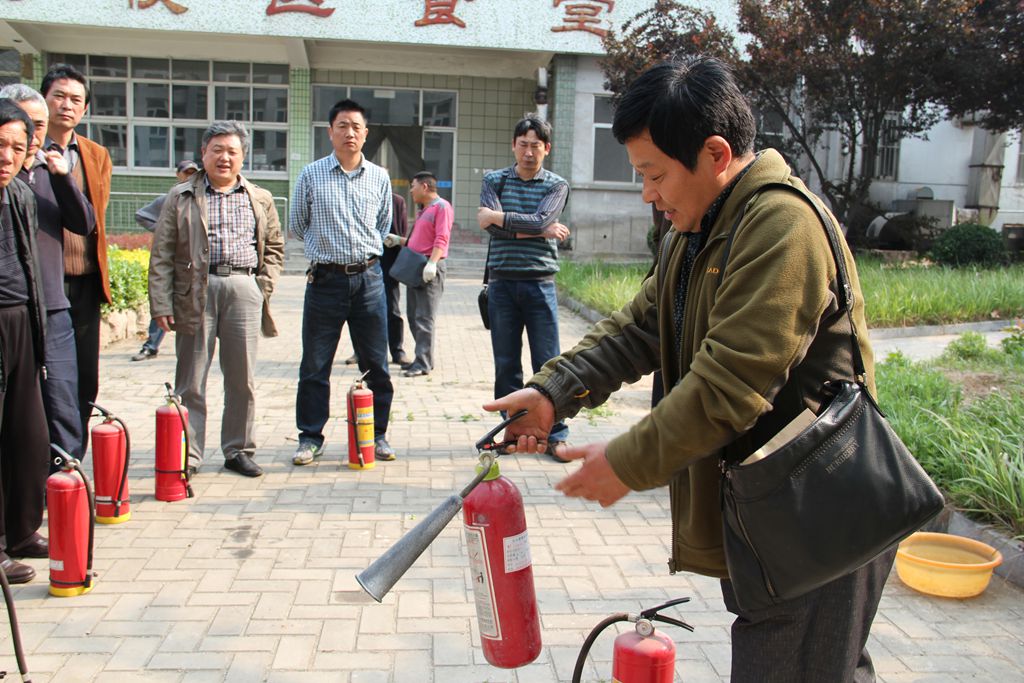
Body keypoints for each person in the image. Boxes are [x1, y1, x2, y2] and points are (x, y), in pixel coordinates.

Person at [485, 56, 892, 682]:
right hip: (770, 511)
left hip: (820, 518)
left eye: (654, 174)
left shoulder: (782, 226)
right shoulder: (697, 229)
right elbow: (643, 326)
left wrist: (625, 462)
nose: (648, 193)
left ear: (715, 154)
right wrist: (552, 391)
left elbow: (731, 384)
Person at [148, 121, 284, 478]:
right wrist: (161, 303)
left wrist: (261, 287)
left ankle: (238, 449)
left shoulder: (260, 198)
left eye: (232, 151)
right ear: (204, 154)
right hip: (195, 291)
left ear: (243, 157)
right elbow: (161, 253)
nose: (224, 158)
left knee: (242, 378)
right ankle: (188, 456)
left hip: (242, 288)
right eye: (217, 150)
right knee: (191, 378)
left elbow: (273, 248)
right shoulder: (181, 196)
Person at [290, 99, 395, 466]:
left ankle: (377, 435)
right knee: (315, 365)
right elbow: (298, 224)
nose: (349, 133)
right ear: (330, 131)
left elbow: (383, 226)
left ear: (365, 133)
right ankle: (309, 437)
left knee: (376, 364)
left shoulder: (379, 177)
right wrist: (328, 250)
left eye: (356, 126)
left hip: (368, 279)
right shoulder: (311, 175)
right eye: (342, 126)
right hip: (325, 281)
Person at [2, 84, 96, 467]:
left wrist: (62, 178)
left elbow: (84, 224)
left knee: (62, 403)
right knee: (19, 409)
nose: (34, 134)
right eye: (25, 124)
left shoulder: (49, 171)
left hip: (53, 307)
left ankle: (65, 485)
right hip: (12, 310)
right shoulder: (8, 176)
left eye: (38, 125)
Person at [477, 114, 571, 459]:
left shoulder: (556, 185)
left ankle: (556, 435)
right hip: (502, 284)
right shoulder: (495, 180)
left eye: (536, 146)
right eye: (523, 144)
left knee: (549, 364)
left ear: (546, 149)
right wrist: (539, 229)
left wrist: (504, 219)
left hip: (539, 284)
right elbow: (495, 230)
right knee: (506, 364)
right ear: (513, 145)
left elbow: (537, 219)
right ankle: (511, 433)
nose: (529, 152)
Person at [41, 63, 112, 458]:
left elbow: (94, 218)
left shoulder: (95, 154)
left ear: (85, 109)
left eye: (76, 100)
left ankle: (72, 456)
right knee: (49, 375)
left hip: (83, 279)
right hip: (43, 282)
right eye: (59, 96)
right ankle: (45, 452)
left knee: (85, 375)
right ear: (43, 99)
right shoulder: (27, 152)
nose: (66, 106)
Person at [0, 98, 52, 583]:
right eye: (1, 143)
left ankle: (20, 530)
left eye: (18, 147)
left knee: (28, 436)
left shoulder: (19, 194)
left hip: (20, 321)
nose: (8, 155)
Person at [131, 159, 201, 361]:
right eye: (186, 172)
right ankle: (151, 344)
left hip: (194, 264)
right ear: (178, 174)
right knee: (164, 303)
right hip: (172, 261)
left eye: (193, 172)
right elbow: (141, 215)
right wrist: (162, 230)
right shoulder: (170, 198)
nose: (189, 176)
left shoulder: (200, 196)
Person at [384, 172, 452, 377]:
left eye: (413, 186)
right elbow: (418, 241)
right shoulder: (425, 210)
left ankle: (423, 363)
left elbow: (442, 238)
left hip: (429, 268)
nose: (411, 190)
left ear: (424, 186)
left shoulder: (442, 207)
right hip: (417, 267)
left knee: (424, 317)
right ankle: (422, 359)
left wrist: (432, 263)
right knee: (414, 317)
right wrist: (399, 240)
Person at [344, 191, 411, 367]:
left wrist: (396, 242)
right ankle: (359, 352)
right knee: (358, 310)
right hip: (363, 261)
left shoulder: (397, 200)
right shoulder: (358, 196)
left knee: (392, 309)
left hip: (389, 262)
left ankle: (397, 351)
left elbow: (401, 228)